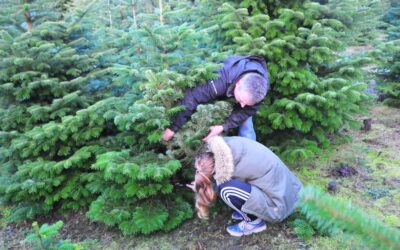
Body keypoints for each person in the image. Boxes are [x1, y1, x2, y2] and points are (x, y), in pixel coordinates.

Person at [189, 136, 302, 237]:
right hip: (291, 191)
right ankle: (250, 210)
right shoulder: (229, 148)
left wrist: (205, 185)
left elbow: (220, 185)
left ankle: (254, 223)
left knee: (227, 190)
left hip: (280, 205)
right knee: (228, 187)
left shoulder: (229, 167)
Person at [162, 55, 269, 142]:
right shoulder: (219, 81)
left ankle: (249, 152)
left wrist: (222, 127)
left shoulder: (259, 90)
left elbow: (247, 111)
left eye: (246, 103)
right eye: (241, 100)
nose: (242, 105)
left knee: (246, 123)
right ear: (238, 83)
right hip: (223, 81)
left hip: (234, 84)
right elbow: (191, 97)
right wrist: (173, 128)